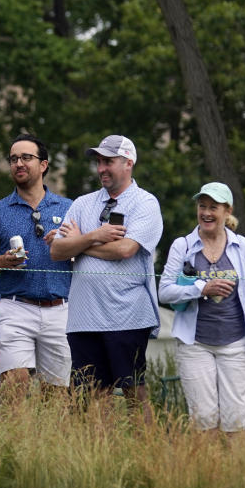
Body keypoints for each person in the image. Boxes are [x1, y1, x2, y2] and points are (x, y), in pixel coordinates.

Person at [50, 135, 163, 418]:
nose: (101, 168)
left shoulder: (145, 203)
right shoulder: (82, 203)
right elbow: (57, 250)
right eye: (99, 162)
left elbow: (125, 249)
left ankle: (147, 455)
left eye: (108, 161)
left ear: (128, 163)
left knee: (133, 392)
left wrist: (82, 244)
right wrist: (95, 236)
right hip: (83, 319)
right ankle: (104, 459)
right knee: (91, 397)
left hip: (126, 316)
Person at [158, 182, 245, 441]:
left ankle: (237, 480)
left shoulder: (242, 247)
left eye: (213, 207)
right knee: (203, 420)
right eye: (202, 206)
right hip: (195, 345)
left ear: (227, 211)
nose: (206, 212)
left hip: (235, 344)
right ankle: (207, 478)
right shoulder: (182, 246)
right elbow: (165, 291)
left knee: (238, 421)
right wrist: (201, 288)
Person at [0, 134, 72, 395]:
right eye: (13, 159)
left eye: (26, 157)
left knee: (57, 396)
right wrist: (3, 261)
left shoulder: (69, 207)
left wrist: (70, 244)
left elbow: (84, 253)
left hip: (60, 309)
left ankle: (48, 437)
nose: (19, 163)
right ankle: (15, 436)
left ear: (44, 165)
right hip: (16, 308)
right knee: (14, 387)